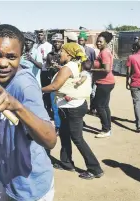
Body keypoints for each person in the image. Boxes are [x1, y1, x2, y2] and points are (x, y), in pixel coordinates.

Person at [0, 24, 57, 201]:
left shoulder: (25, 86)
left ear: (20, 57)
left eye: (11, 57)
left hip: (29, 186)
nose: (2, 63)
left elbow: (50, 140)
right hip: (6, 177)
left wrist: (18, 107)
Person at [42, 42, 103, 180]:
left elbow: (54, 86)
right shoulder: (76, 64)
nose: (60, 54)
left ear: (69, 54)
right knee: (64, 133)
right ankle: (66, 163)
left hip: (73, 108)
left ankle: (95, 168)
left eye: (62, 52)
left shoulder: (68, 67)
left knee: (77, 138)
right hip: (71, 106)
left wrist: (37, 89)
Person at [92, 31, 115, 138]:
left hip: (105, 83)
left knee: (99, 105)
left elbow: (106, 69)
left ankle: (106, 129)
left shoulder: (105, 52)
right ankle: (108, 128)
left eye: (101, 42)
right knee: (104, 106)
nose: (98, 43)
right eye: (98, 41)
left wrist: (92, 70)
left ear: (106, 42)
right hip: (106, 82)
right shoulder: (103, 51)